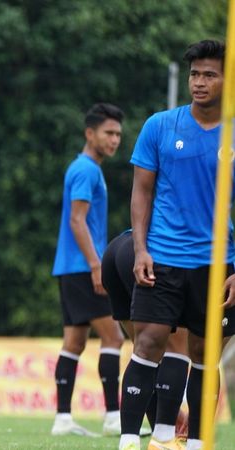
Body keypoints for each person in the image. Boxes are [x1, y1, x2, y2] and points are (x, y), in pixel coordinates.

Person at [118, 40, 231, 450]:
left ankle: (199, 443)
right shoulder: (159, 126)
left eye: (210, 74)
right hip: (162, 258)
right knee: (147, 340)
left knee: (205, 352)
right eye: (194, 74)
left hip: (217, 265)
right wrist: (141, 249)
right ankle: (129, 440)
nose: (199, 83)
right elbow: (141, 193)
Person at [50, 103, 126, 437]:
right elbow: (76, 220)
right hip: (84, 267)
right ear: (89, 133)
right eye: (109, 133)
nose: (114, 140)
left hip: (70, 267)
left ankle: (63, 419)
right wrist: (97, 265)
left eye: (118, 135)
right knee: (114, 336)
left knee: (74, 341)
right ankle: (113, 416)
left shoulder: (88, 169)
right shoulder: (86, 170)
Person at [103, 230, 189, 441]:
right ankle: (165, 437)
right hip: (155, 252)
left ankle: (135, 440)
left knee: (144, 356)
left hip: (116, 250)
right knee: (177, 349)